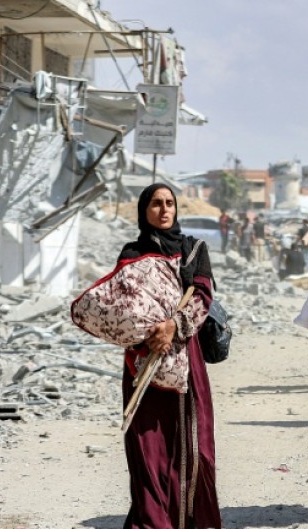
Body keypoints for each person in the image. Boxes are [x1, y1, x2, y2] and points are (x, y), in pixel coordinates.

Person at [118, 183, 221, 529]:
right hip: (143, 358)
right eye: (156, 204)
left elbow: (203, 296)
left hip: (185, 356)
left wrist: (173, 327)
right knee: (148, 446)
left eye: (169, 204)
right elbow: (122, 304)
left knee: (191, 446)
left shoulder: (193, 250)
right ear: (144, 211)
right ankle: (152, 521)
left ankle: (189, 519)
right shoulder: (132, 253)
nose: (164, 210)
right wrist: (150, 334)